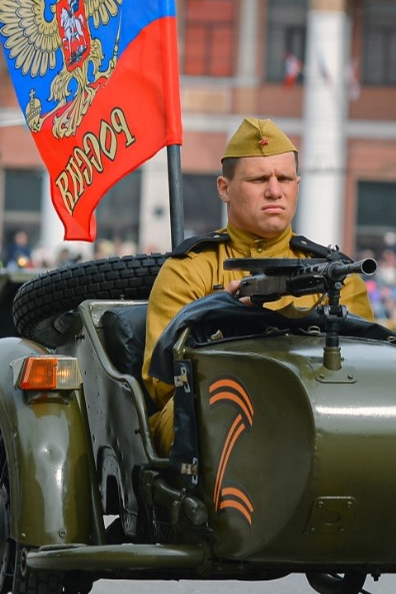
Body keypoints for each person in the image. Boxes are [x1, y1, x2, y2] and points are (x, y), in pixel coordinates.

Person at [140, 118, 374, 453]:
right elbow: (161, 384)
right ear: (224, 188)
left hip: (317, 419)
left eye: (285, 179)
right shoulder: (189, 269)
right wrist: (220, 317)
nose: (275, 191)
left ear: (297, 185)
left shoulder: (335, 274)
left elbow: (365, 367)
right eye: (259, 179)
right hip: (210, 420)